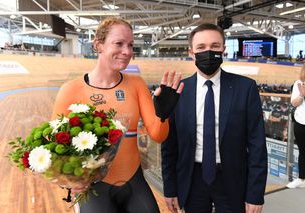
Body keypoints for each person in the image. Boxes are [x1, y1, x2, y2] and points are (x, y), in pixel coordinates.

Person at [51, 17, 184, 213]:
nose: (127, 51)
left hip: (134, 181)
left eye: (130, 45)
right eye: (119, 44)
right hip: (93, 188)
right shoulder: (71, 90)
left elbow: (158, 135)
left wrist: (163, 115)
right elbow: (54, 146)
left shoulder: (136, 84)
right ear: (99, 45)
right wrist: (70, 180)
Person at [161, 23, 267, 213]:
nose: (208, 52)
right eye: (201, 47)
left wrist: (255, 193)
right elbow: (170, 147)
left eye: (215, 46)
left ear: (223, 50)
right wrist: (169, 188)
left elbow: (257, 145)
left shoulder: (246, 88)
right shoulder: (178, 92)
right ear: (191, 52)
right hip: (192, 179)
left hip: (233, 179)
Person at [287, 66, 305, 188]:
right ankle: (301, 179)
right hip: (301, 122)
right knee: (303, 152)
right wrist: (302, 95)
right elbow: (294, 103)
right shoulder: (298, 83)